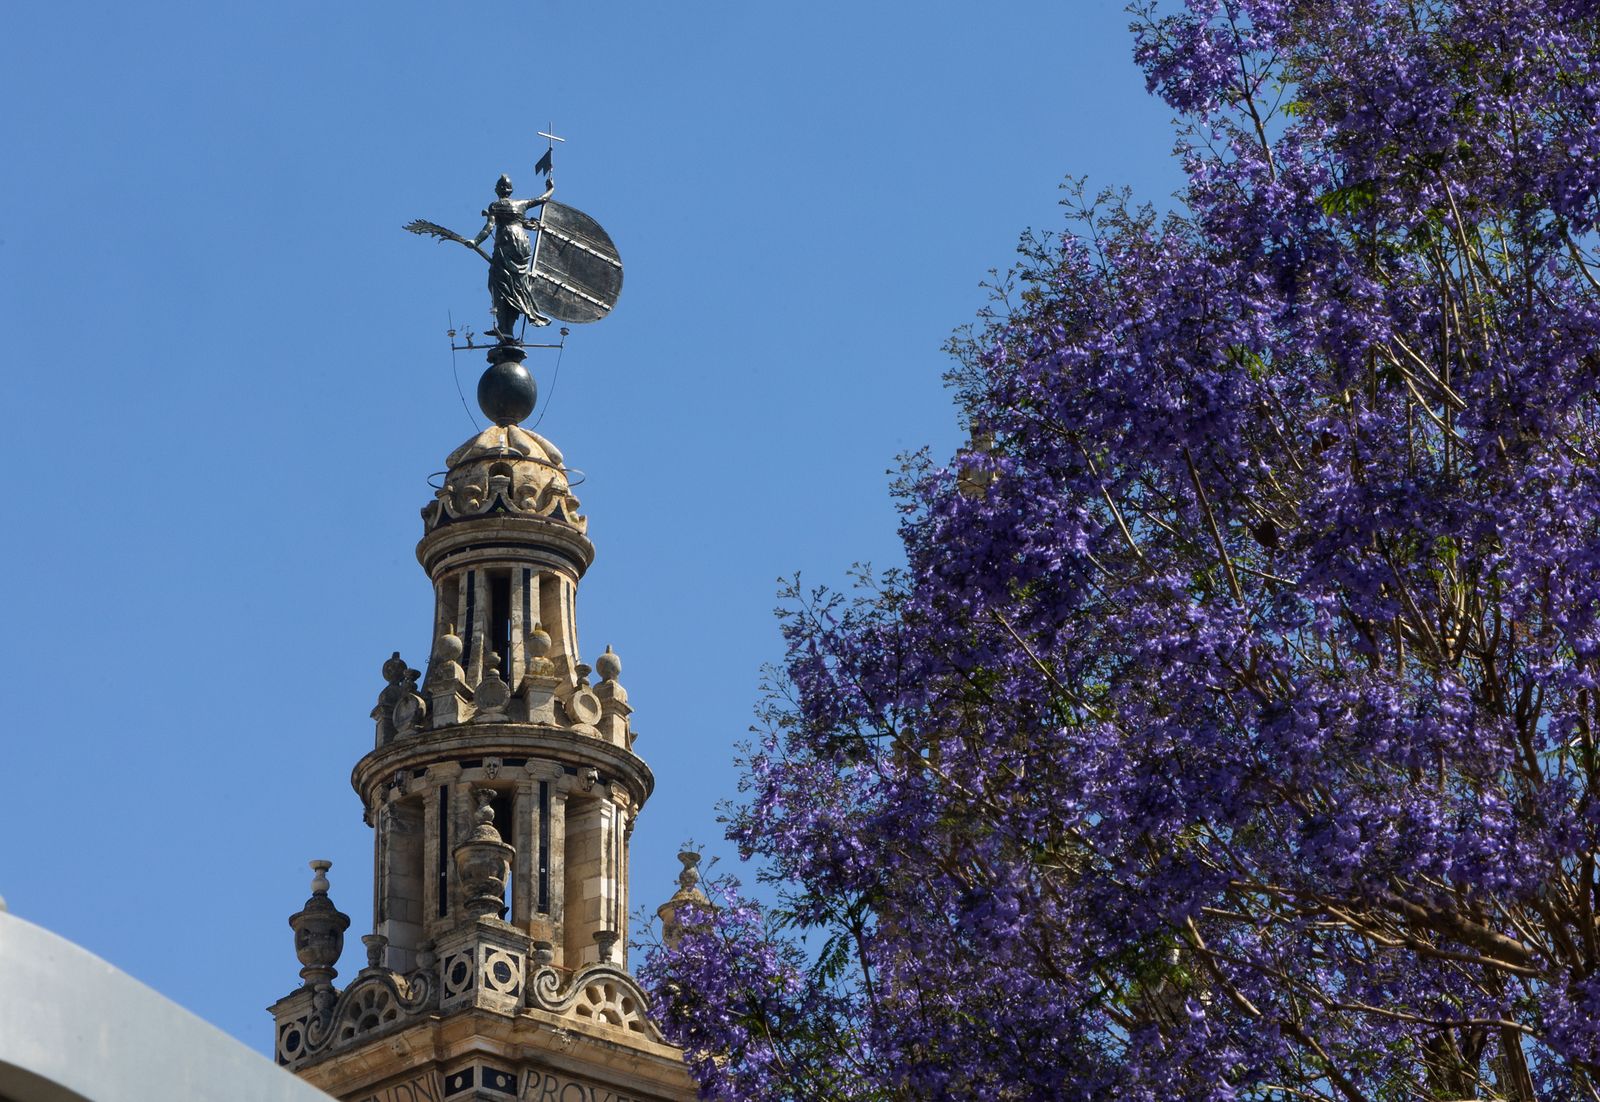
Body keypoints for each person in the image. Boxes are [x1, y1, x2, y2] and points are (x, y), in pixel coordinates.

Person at [471, 173, 555, 341]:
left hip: (506, 243)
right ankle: (506, 327)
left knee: (498, 284)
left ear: (497, 190)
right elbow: (542, 199)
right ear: (511, 190)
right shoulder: (521, 204)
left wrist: (476, 241)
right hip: (521, 244)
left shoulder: (495, 205)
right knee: (516, 284)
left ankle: (505, 327)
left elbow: (489, 227)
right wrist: (550, 189)